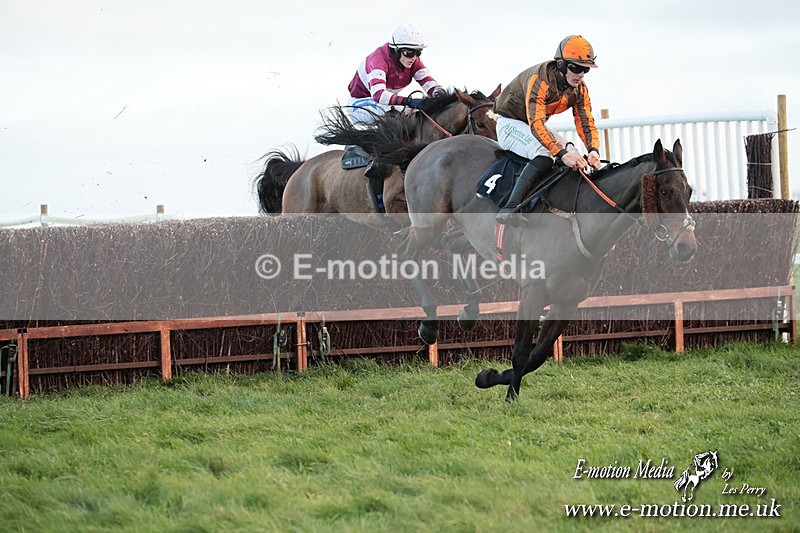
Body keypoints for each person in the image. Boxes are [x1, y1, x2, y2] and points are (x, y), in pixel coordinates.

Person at [493, 35, 603, 225]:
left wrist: (593, 150)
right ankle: (510, 207)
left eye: (585, 69)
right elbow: (536, 123)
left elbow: (585, 121)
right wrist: (560, 153)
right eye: (576, 68)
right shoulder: (541, 80)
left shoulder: (580, 89)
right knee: (545, 153)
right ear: (561, 65)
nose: (581, 74)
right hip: (509, 123)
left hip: (531, 125)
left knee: (574, 154)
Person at [346, 23, 446, 220]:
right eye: (409, 52)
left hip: (385, 101)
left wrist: (444, 97)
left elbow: (430, 84)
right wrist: (409, 101)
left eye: (418, 52)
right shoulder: (378, 59)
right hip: (362, 103)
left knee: (411, 112)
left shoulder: (413, 61)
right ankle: (375, 160)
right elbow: (379, 95)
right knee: (400, 110)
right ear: (395, 49)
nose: (413, 58)